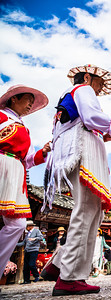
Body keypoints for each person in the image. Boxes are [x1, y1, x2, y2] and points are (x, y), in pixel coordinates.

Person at [42, 64, 111, 296]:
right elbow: (91, 117)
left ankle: (62, 265)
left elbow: (81, 123)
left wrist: (103, 136)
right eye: (99, 84)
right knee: (87, 210)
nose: (99, 90)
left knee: (91, 211)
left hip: (71, 151)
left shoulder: (68, 97)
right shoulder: (82, 89)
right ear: (87, 77)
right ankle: (69, 276)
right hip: (81, 152)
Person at [0, 84, 50, 281]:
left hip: (15, 172)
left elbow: (28, 160)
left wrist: (43, 152)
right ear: (14, 99)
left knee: (18, 224)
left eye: (32, 101)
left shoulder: (24, 128)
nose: (31, 104)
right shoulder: (2, 116)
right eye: (28, 99)